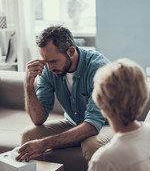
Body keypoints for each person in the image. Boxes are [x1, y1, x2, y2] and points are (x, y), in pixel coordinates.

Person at [16, 26, 112, 163]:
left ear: (71, 51)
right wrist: (28, 84)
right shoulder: (49, 70)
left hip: (108, 125)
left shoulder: (99, 69)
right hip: (75, 123)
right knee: (29, 135)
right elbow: (38, 119)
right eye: (46, 61)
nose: (49, 68)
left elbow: (92, 125)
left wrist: (43, 144)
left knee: (92, 145)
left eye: (53, 61)